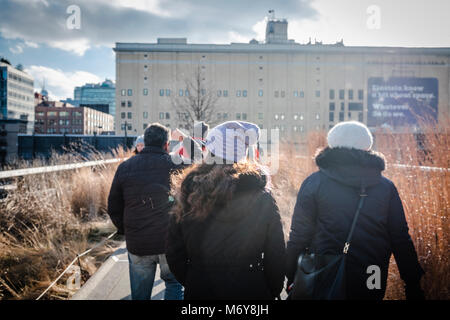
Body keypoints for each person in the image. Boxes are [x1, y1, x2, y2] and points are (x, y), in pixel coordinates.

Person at [285, 121, 425, 300]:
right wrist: (412, 282)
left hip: (324, 272)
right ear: (367, 147)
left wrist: (291, 273)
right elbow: (400, 238)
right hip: (372, 274)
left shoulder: (315, 183)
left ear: (332, 145)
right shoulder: (385, 188)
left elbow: (299, 235)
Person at [166, 121, 286, 300]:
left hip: (201, 289)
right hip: (251, 289)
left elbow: (174, 250)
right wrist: (271, 290)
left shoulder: (189, 191)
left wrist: (193, 279)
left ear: (210, 151)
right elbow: (275, 251)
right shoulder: (261, 195)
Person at [107, 123, 184, 300]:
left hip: (138, 242)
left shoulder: (125, 167)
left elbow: (114, 206)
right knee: (173, 283)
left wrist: (126, 230)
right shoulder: (177, 166)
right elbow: (187, 203)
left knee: (140, 293)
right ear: (166, 144)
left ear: (144, 142)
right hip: (170, 241)